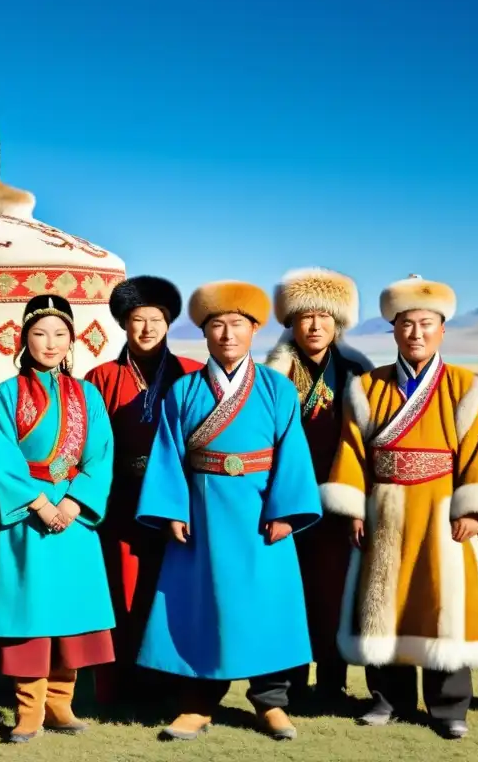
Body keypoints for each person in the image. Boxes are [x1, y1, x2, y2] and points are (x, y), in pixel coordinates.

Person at [321, 274, 478, 740]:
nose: (416, 333)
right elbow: (351, 451)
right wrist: (352, 509)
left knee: (440, 604)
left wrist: (474, 510)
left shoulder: (467, 387)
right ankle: (387, 699)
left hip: (443, 513)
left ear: (442, 329)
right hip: (384, 510)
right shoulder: (367, 388)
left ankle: (449, 707)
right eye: (406, 324)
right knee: (384, 604)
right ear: (392, 329)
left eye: (426, 323)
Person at [136, 279, 322, 741]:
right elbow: (168, 454)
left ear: (254, 329)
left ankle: (271, 704)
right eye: (216, 325)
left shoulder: (277, 389)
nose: (226, 334)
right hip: (203, 517)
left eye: (237, 324)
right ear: (204, 333)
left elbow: (293, 454)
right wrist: (172, 510)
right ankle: (197, 705)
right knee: (201, 606)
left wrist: (287, 512)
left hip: (262, 517)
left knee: (267, 607)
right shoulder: (184, 391)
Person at [0, 294, 116, 743]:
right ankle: (29, 710)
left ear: (72, 339)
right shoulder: (7, 394)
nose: (50, 343)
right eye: (40, 333)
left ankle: (62, 703)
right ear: (23, 338)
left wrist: (74, 504)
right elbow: (1, 459)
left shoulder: (88, 394)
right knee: (29, 611)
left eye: (60, 334)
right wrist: (40, 504)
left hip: (75, 518)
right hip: (27, 518)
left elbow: (100, 455)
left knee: (71, 610)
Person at [85, 275, 203, 707]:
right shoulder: (100, 377)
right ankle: (119, 688)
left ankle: (173, 686)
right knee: (123, 594)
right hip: (120, 506)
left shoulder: (192, 373)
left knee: (172, 594)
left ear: (169, 323)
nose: (148, 328)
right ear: (123, 324)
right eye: (138, 319)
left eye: (156, 319)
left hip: (178, 505)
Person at [264, 267, 373, 706]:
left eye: (324, 317)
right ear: (290, 321)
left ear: (339, 322)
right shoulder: (271, 373)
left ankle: (332, 685)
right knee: (288, 593)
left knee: (334, 593)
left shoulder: (357, 371)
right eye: (305, 316)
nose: (314, 325)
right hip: (287, 501)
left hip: (338, 498)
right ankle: (286, 686)